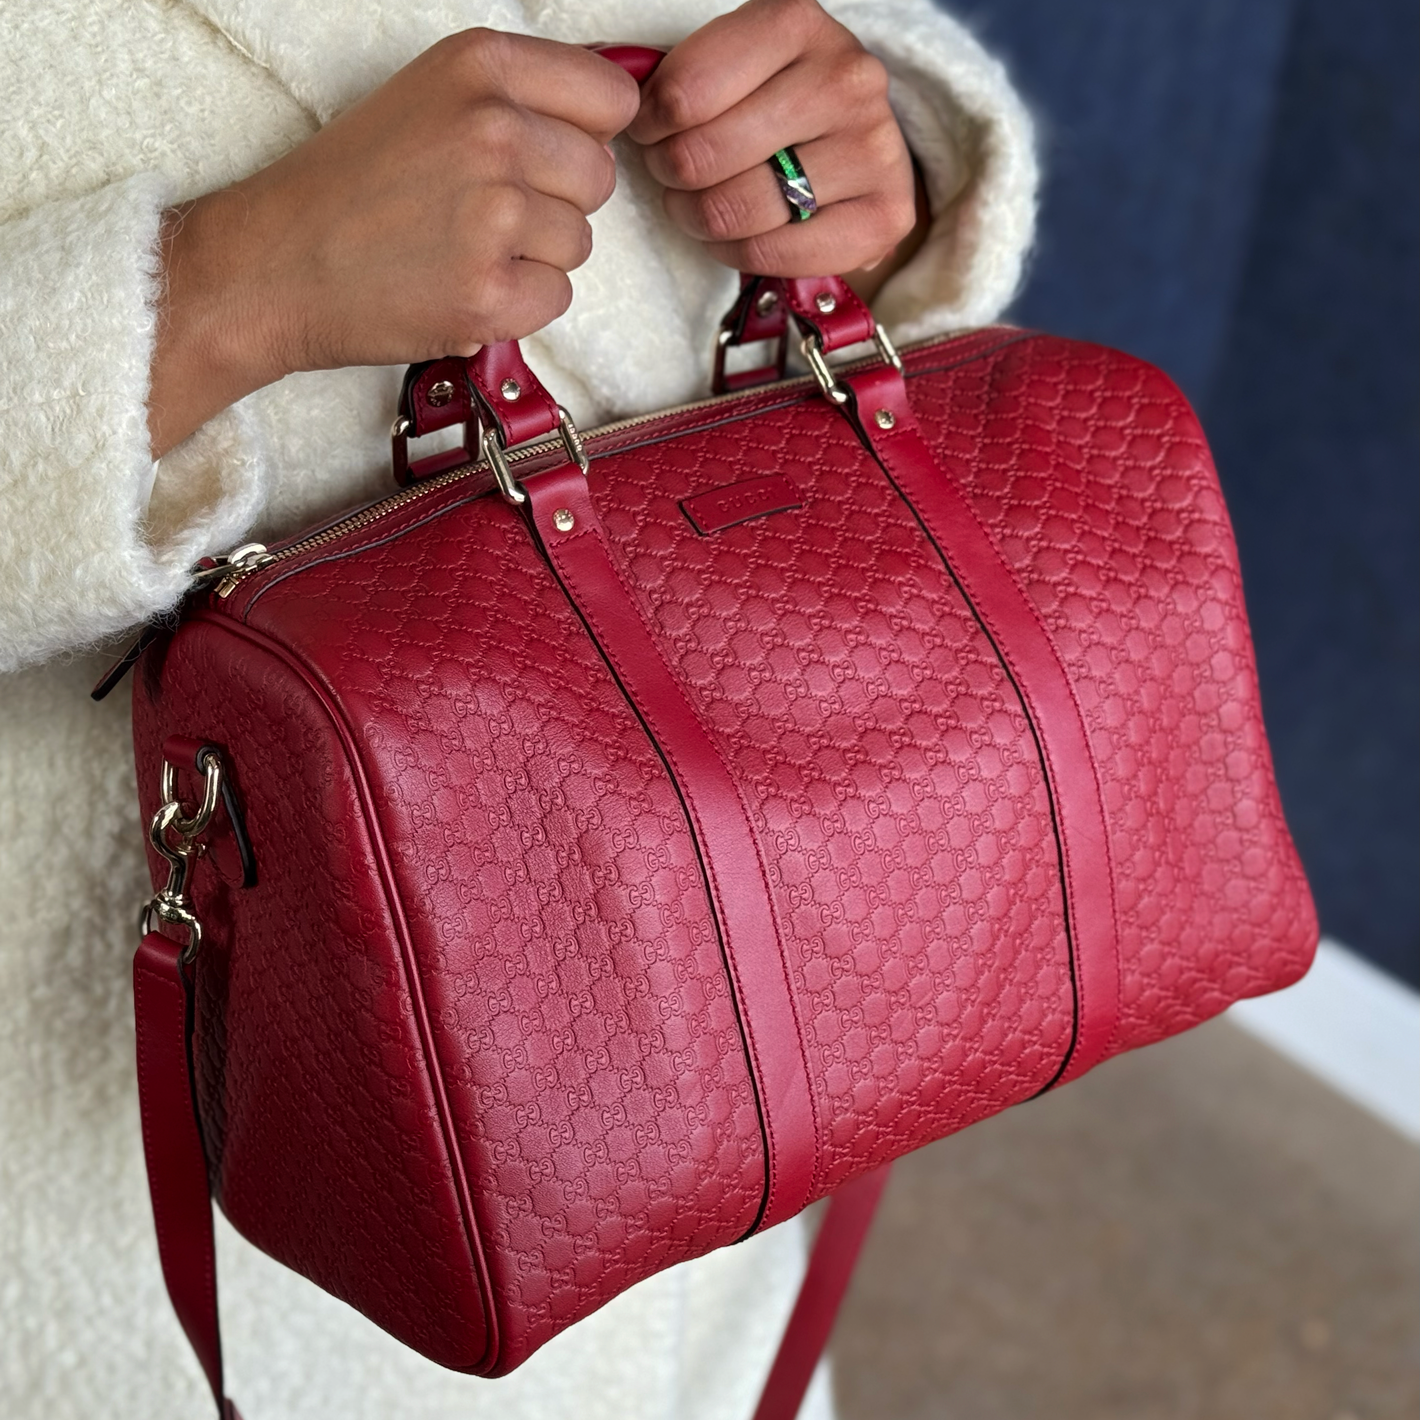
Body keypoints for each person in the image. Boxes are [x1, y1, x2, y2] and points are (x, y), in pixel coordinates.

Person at [0, 1, 1036, 1415]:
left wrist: (866, 155)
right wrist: (224, 287)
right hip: (131, 1198)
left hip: (735, 1058)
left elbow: (835, 54)